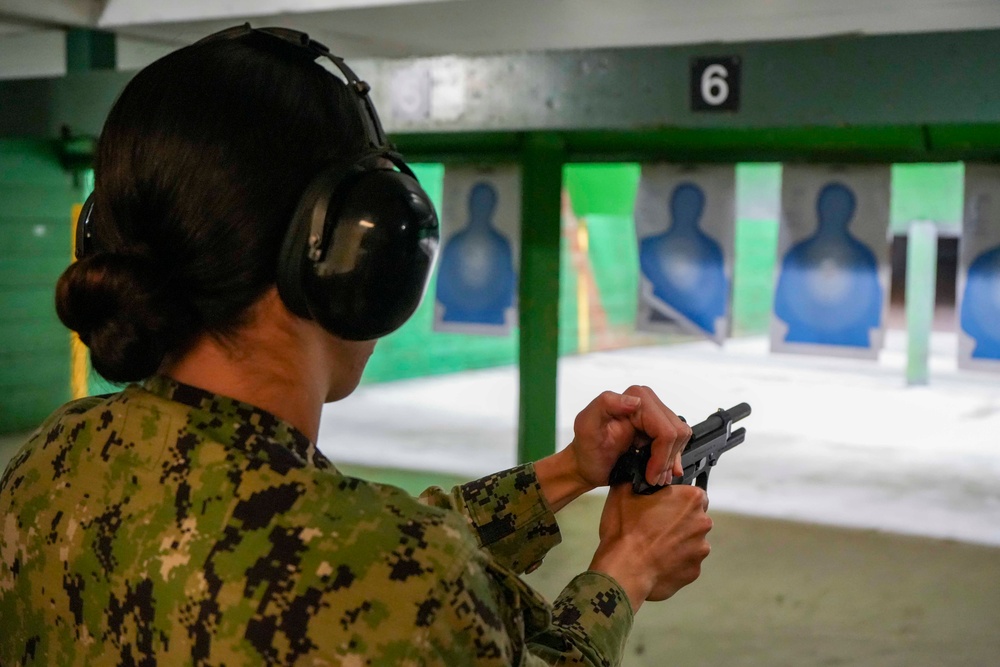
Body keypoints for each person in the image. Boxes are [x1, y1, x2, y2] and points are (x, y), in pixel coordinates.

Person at [0, 25, 712, 666]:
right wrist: (629, 567)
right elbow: (380, 565)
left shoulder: (52, 461)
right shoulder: (404, 580)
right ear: (355, 255)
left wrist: (565, 472)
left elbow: (340, 547)